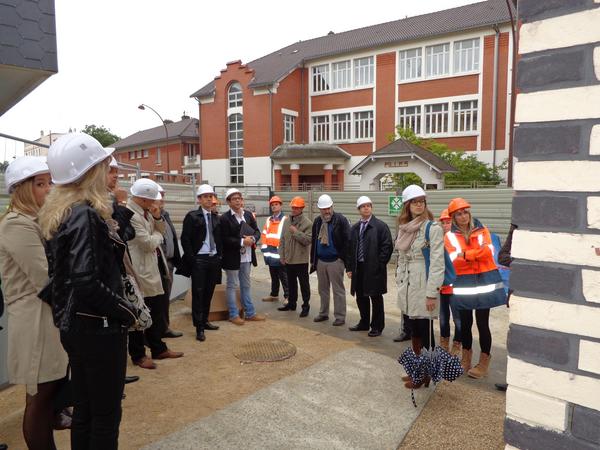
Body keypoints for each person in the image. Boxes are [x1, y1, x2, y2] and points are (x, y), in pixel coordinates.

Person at [40, 133, 139, 450]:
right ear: (90, 171)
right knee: (105, 416)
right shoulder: (84, 214)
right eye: (103, 164)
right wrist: (127, 312)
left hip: (76, 328)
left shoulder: (63, 212)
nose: (109, 170)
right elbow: (86, 281)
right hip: (98, 329)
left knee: (85, 409)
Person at [0, 156, 69, 449]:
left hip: (46, 314)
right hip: (35, 318)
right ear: (21, 189)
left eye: (50, 182)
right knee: (39, 398)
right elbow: (44, 278)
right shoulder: (16, 224)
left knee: (48, 394)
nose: (49, 189)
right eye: (40, 184)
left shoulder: (37, 220)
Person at [445, 197, 506, 379]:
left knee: (482, 323)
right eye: (458, 214)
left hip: (484, 282)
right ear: (453, 217)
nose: (463, 216)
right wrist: (475, 255)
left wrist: (466, 254)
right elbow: (453, 257)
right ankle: (466, 358)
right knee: (465, 324)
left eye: (465, 212)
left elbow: (489, 251)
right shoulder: (449, 236)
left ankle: (484, 361)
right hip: (463, 283)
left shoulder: (482, 230)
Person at [127, 178, 183, 369]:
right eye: (152, 200)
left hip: (152, 266)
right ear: (142, 199)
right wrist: (158, 236)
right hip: (140, 270)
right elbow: (148, 242)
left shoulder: (146, 212)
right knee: (139, 313)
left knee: (155, 310)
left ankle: (158, 348)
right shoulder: (131, 215)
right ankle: (138, 355)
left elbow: (160, 230)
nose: (155, 204)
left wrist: (158, 219)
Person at [395, 185, 444, 389]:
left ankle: (425, 374)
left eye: (421, 201)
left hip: (423, 283)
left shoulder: (432, 228)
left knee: (425, 330)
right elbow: (402, 258)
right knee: (413, 328)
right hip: (408, 284)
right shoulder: (404, 228)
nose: (418, 205)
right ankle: (417, 369)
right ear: (407, 205)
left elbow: (437, 263)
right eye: (414, 202)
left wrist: (432, 293)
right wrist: (399, 281)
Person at [179, 184, 222, 342]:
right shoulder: (192, 217)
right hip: (200, 259)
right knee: (198, 293)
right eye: (205, 196)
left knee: (209, 292)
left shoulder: (216, 217)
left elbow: (220, 240)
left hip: (213, 259)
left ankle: (205, 320)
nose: (209, 199)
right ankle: (199, 327)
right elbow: (185, 239)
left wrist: (219, 257)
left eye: (211, 196)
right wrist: (193, 260)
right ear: (199, 199)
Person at [346, 196, 393, 337]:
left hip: (374, 268)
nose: (366, 208)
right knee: (361, 297)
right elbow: (350, 249)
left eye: (368, 205)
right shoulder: (354, 228)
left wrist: (379, 263)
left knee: (376, 297)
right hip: (358, 268)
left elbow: (387, 246)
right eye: (363, 206)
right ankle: (364, 322)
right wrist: (349, 268)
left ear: (371, 207)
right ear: (359, 209)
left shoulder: (380, 226)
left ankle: (377, 326)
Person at [220, 188, 266, 325]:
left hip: (246, 257)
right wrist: (241, 241)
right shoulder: (224, 218)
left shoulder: (248, 215)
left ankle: (250, 313)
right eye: (234, 199)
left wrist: (253, 238)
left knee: (246, 285)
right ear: (228, 202)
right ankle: (233, 314)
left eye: (239, 198)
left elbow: (257, 231)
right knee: (232, 285)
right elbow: (224, 239)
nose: (238, 201)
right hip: (232, 258)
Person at [311, 194, 350, 326]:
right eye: (324, 209)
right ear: (319, 209)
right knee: (323, 289)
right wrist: (314, 261)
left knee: (338, 290)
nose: (327, 211)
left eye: (329, 208)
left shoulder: (341, 220)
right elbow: (314, 241)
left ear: (332, 206)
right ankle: (323, 313)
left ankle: (340, 316)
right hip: (321, 261)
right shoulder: (317, 221)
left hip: (335, 261)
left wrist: (341, 258)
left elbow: (347, 241)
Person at [278, 196, 312, 317]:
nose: (294, 209)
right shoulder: (286, 221)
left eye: (297, 208)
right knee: (291, 283)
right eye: (293, 207)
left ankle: (306, 306)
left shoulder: (307, 223)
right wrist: (282, 256)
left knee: (304, 284)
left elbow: (308, 240)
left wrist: (295, 232)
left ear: (302, 208)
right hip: (289, 259)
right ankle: (292, 304)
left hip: (301, 260)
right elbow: (282, 239)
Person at [157, 185, 183, 339]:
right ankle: (158, 330)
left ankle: (164, 327)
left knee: (165, 297)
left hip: (169, 263)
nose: (162, 199)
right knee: (158, 299)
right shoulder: (150, 216)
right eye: (160, 196)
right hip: (158, 264)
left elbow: (171, 237)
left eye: (163, 196)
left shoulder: (165, 214)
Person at [437, 208, 462, 356]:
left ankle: (457, 343)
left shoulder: (458, 240)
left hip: (456, 287)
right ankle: (444, 343)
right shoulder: (438, 239)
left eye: (448, 222)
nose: (446, 225)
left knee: (458, 318)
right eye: (444, 223)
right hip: (442, 286)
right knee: (443, 317)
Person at [260, 196, 289, 303]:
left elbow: (287, 236)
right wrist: (264, 248)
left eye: (276, 204)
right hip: (270, 252)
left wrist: (285, 252)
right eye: (272, 205)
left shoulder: (285, 219)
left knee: (284, 276)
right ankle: (274, 294)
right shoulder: (269, 219)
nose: (274, 206)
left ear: (280, 206)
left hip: (280, 253)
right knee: (273, 275)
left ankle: (288, 296)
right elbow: (264, 234)